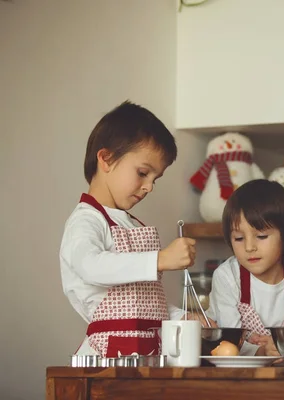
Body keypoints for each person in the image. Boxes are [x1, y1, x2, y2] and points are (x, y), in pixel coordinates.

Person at [60, 101, 199, 358]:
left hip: (149, 352)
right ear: (107, 158)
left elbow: (143, 303)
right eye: (143, 173)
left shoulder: (132, 224)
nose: (149, 187)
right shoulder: (86, 220)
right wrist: (159, 259)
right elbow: (91, 266)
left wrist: (183, 317)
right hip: (108, 355)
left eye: (155, 179)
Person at [206, 179, 284, 356]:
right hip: (228, 371)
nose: (249, 247)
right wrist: (262, 351)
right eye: (239, 239)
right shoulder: (228, 277)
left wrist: (280, 347)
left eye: (262, 236)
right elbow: (230, 345)